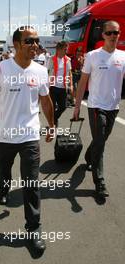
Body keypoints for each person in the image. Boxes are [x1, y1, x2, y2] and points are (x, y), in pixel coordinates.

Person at [0, 26, 54, 253]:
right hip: (5, 136)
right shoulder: (0, 69)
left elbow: (45, 101)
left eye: (36, 40)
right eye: (29, 41)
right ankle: (3, 189)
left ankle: (33, 230)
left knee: (31, 183)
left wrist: (51, 126)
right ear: (15, 44)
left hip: (30, 136)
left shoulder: (40, 71)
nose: (35, 45)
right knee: (5, 171)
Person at [73, 21, 125, 199]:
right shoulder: (93, 56)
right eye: (109, 33)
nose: (113, 36)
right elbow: (82, 82)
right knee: (101, 143)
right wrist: (77, 106)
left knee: (100, 140)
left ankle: (89, 156)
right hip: (96, 106)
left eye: (116, 33)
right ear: (103, 35)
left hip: (113, 107)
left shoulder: (123, 56)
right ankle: (100, 182)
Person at [48, 41, 73, 126]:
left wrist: (71, 85)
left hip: (63, 87)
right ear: (59, 50)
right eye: (65, 49)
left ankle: (55, 118)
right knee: (52, 107)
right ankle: (53, 123)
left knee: (63, 106)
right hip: (53, 86)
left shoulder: (67, 60)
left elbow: (70, 73)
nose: (66, 51)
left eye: (66, 49)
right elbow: (46, 71)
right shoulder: (51, 59)